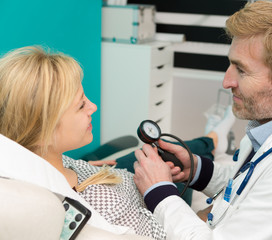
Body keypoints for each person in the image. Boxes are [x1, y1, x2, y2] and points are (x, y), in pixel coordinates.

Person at [132, 1, 272, 239]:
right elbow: (254, 184)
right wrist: (200, 171)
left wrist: (160, 193)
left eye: (241, 70)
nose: (227, 81)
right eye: (230, 64)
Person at [0, 46, 165, 239]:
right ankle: (210, 138)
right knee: (186, 160)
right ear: (43, 132)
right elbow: (164, 234)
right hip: (151, 198)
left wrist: (77, 167)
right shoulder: (104, 202)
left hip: (98, 172)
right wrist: (162, 191)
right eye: (81, 105)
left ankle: (210, 139)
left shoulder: (27, 163)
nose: (93, 107)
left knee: (169, 152)